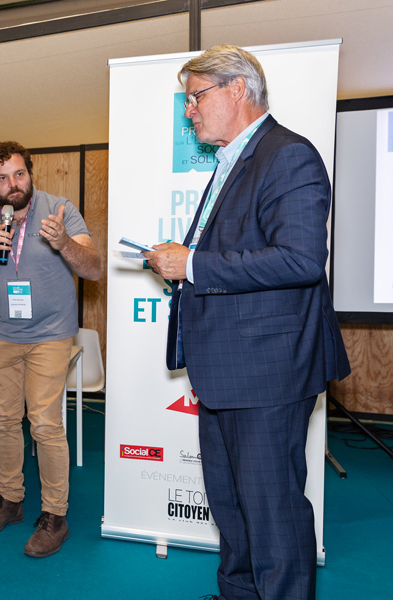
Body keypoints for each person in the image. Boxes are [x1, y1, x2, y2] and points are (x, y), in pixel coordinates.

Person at [143, 45, 350, 600]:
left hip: (268, 370)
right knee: (232, 506)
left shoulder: (288, 155)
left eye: (196, 96)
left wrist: (192, 263)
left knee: (272, 513)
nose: (188, 110)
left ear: (238, 90)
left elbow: (302, 260)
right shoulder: (232, 161)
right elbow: (233, 254)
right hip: (226, 368)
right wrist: (183, 266)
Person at [0, 141, 102, 558]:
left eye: (19, 174)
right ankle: (11, 501)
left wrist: (64, 244)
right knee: (2, 418)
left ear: (30, 173)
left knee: (43, 423)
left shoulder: (60, 209)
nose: (12, 183)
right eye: (2, 178)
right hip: (3, 333)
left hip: (52, 333)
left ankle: (55, 515)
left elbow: (93, 267)